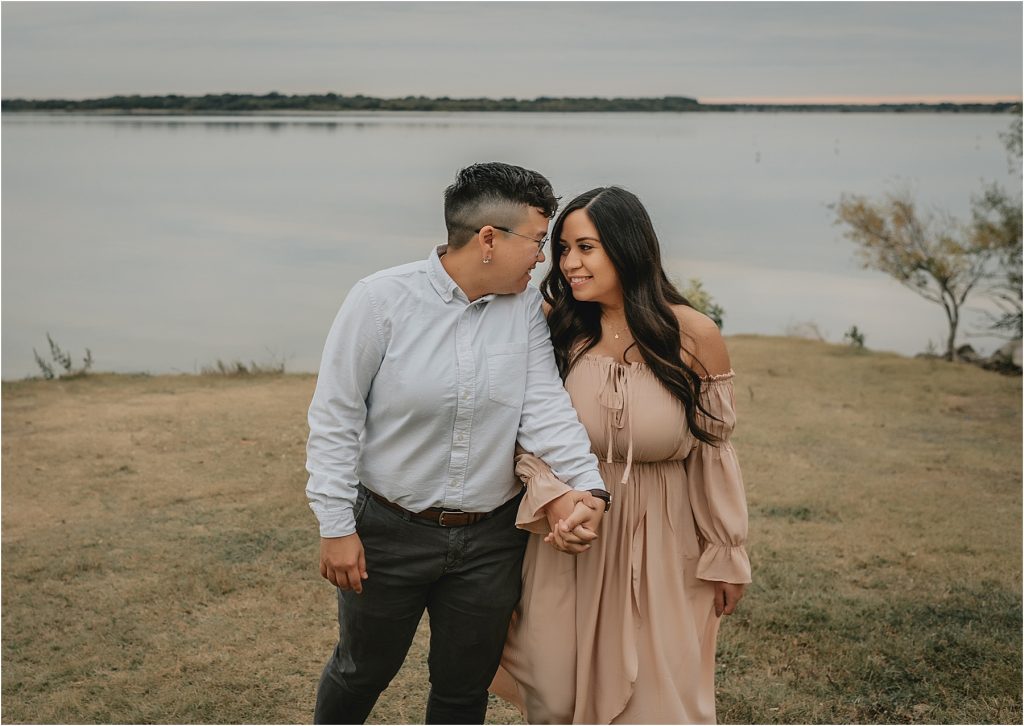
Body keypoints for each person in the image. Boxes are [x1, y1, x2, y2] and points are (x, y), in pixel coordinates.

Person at [305, 162, 609, 725]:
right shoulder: (378, 301)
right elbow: (335, 417)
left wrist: (589, 486)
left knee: (463, 689)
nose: (544, 258)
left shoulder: (523, 312)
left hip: (490, 540)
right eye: (538, 242)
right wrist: (335, 525)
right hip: (388, 534)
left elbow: (543, 407)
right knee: (362, 671)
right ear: (489, 239)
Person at [492, 186, 752, 724]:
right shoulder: (557, 330)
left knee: (653, 696)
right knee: (554, 689)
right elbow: (528, 435)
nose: (569, 264)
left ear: (628, 247)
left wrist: (726, 550)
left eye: (586, 247)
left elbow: (712, 453)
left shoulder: (694, 335)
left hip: (661, 536)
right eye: (563, 249)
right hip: (568, 533)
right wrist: (554, 504)